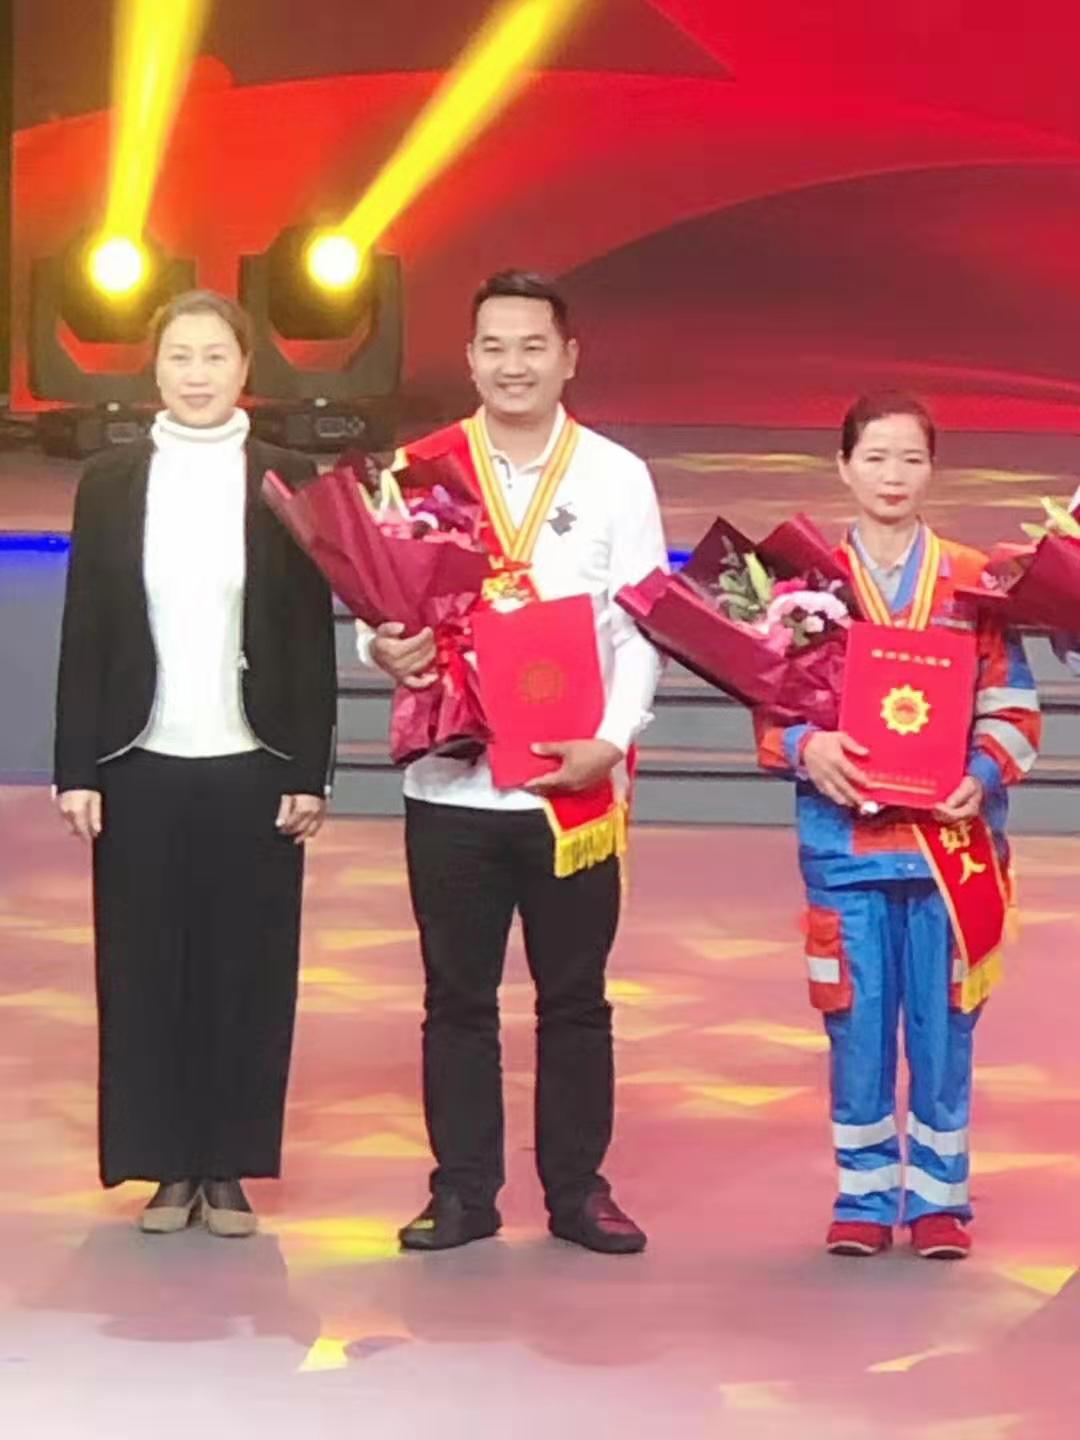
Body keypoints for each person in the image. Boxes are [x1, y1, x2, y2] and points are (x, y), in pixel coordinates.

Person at [358, 270, 667, 1254]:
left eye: (533, 346)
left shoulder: (616, 475)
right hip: (450, 781)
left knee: (575, 999)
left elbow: (644, 627)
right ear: (469, 358)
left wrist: (610, 742)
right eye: (494, 346)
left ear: (569, 357)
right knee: (456, 999)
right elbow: (381, 611)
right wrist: (384, 649)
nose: (513, 365)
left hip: (572, 788)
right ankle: (462, 1192)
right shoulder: (420, 472)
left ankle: (578, 1192)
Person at [54, 290, 337, 1236]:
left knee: (247, 967)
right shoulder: (110, 481)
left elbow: (309, 634)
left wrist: (310, 768)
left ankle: (227, 1165)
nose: (198, 374)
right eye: (180, 356)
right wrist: (77, 766)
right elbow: (86, 629)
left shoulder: (286, 475)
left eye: (216, 356)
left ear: (245, 368)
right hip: (138, 758)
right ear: (155, 369)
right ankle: (165, 1165)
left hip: (255, 759)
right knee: (144, 968)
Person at [756, 392, 1041, 1260]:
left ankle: (941, 1199)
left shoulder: (972, 580)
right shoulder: (804, 587)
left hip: (951, 849)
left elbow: (1013, 706)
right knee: (857, 1021)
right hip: (845, 849)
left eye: (910, 459)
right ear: (844, 466)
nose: (892, 476)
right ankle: (865, 1194)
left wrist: (979, 777)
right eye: (875, 457)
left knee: (946, 1026)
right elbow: (770, 707)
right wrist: (807, 747)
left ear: (932, 470)